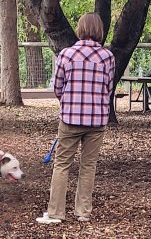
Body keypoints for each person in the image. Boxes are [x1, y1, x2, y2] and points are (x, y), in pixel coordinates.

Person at [36, 13, 115, 224]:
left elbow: (57, 86)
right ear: (99, 30)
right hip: (97, 120)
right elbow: (108, 88)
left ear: (79, 29)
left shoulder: (66, 54)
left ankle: (55, 213)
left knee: (62, 165)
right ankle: (83, 212)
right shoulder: (107, 57)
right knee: (88, 166)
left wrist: (69, 102)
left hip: (70, 118)